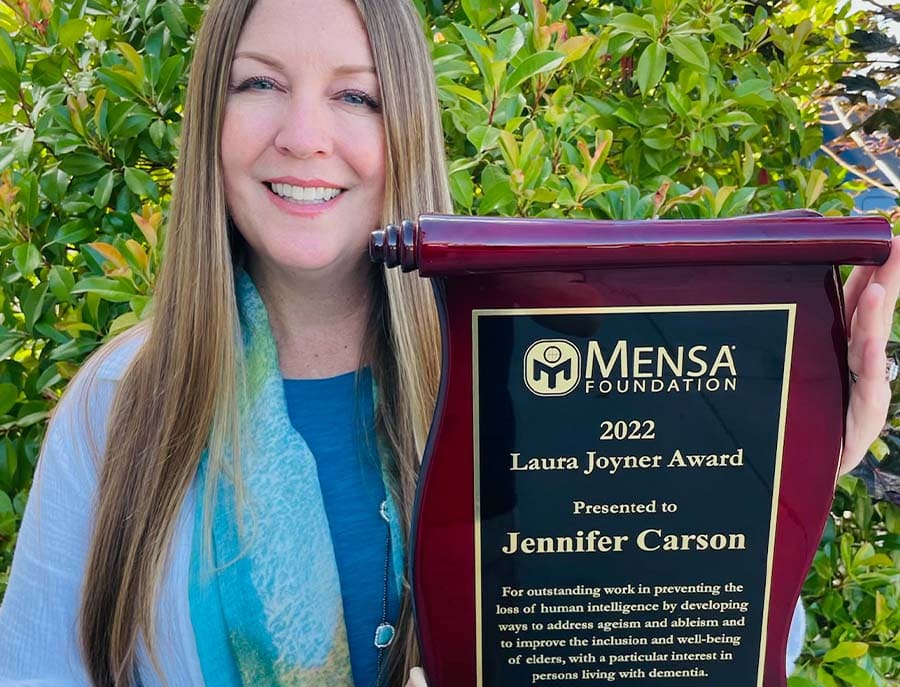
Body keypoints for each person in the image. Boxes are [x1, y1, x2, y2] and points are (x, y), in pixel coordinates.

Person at [0, 0, 898, 685]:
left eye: (356, 95)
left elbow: (691, 642)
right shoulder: (123, 401)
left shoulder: (539, 383)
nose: (305, 136)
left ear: (407, 133)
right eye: (259, 82)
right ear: (208, 120)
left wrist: (803, 466)